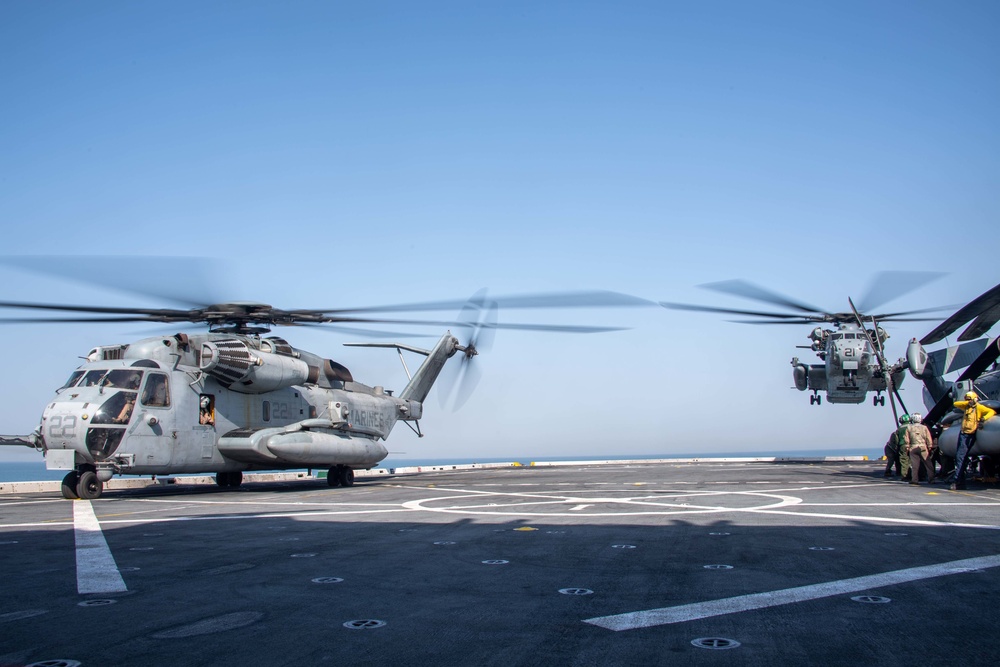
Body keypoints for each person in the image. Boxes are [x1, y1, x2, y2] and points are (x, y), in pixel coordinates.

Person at [949, 391, 996, 490]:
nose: (968, 401)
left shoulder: (979, 408)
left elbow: (991, 412)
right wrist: (968, 403)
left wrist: (984, 418)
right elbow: (955, 403)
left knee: (961, 457)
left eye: (970, 399)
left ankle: (957, 481)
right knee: (960, 457)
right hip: (963, 434)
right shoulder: (966, 407)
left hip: (970, 434)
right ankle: (960, 482)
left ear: (975, 399)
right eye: (967, 399)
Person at [904, 413, 935, 485]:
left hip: (913, 447)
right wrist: (930, 446)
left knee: (915, 465)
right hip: (923, 446)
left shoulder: (909, 428)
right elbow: (928, 438)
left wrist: (907, 447)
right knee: (928, 464)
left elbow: (906, 439)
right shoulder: (924, 427)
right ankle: (931, 479)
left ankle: (914, 480)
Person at [894, 414, 911, 482]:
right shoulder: (911, 427)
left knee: (904, 461)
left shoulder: (899, 429)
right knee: (913, 461)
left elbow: (896, 440)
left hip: (902, 445)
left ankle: (905, 475)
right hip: (911, 445)